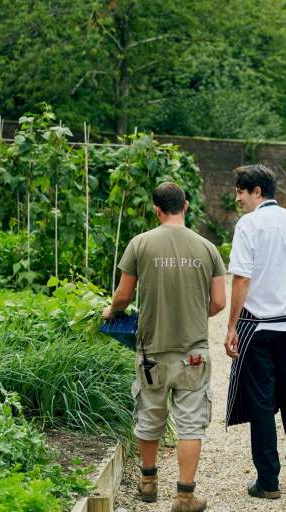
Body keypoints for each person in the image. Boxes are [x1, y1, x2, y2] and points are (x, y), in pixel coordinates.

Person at [103, 182, 226, 512]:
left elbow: (124, 296)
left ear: (156, 209)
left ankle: (148, 482)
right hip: (194, 353)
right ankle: (185, 497)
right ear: (186, 206)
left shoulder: (140, 244)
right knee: (190, 424)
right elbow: (218, 303)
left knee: (149, 414)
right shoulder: (208, 248)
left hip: (151, 351)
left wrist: (111, 310)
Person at [224, 164, 286, 500]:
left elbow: (242, 279)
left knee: (262, 406)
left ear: (257, 192)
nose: (237, 198)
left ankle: (268, 482)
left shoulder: (248, 225)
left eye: (241, 191)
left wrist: (232, 325)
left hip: (258, 330)